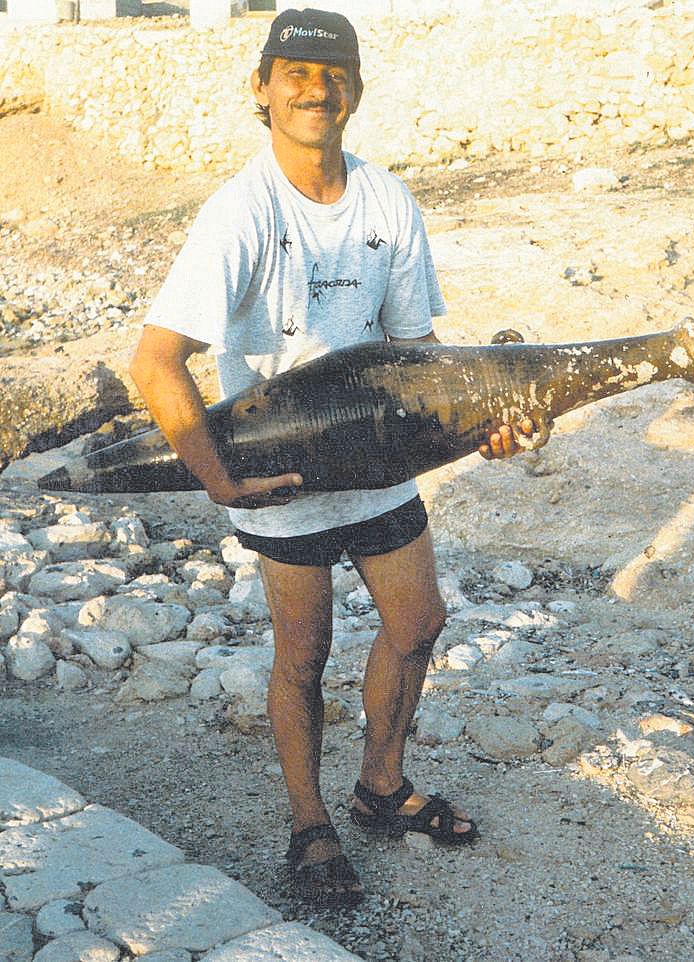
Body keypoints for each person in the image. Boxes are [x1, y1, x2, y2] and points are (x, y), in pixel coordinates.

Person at [130, 7, 532, 907]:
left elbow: (417, 357)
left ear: (357, 88)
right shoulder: (240, 212)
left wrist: (485, 426)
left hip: (380, 459)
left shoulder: (388, 201)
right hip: (281, 473)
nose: (316, 89)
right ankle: (310, 822)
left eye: (333, 73)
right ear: (263, 89)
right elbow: (156, 362)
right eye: (296, 74)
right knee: (302, 658)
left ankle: (380, 786)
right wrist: (220, 480)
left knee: (417, 622)